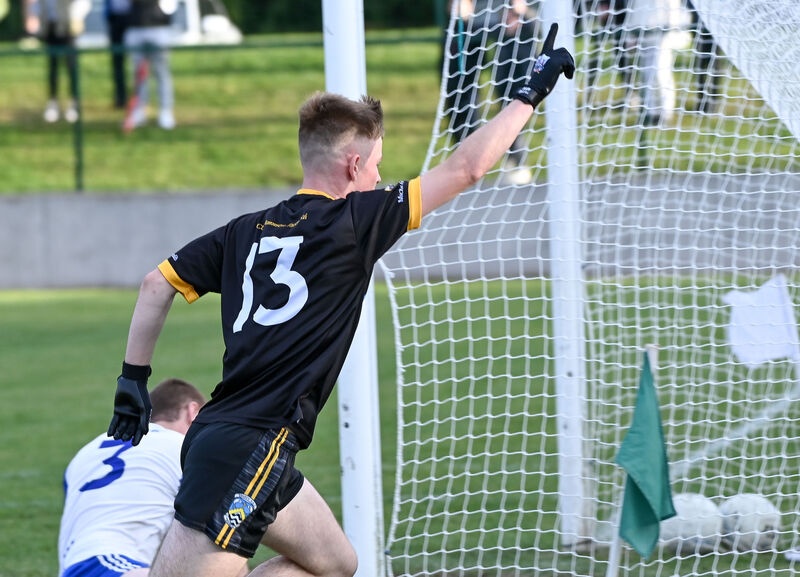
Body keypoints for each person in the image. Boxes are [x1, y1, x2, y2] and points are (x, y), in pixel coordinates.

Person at [107, 24, 573, 577]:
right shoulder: (355, 220)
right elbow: (467, 168)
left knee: (336, 562)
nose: (380, 178)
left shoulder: (242, 230)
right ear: (353, 167)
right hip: (253, 445)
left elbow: (155, 284)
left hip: (233, 438)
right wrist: (529, 94)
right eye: (376, 165)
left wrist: (132, 379)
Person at [60, 378, 206, 577]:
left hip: (79, 565)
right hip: (110, 564)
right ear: (193, 412)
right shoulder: (183, 448)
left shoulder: (87, 452)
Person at [443, 0, 540, 186]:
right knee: (460, 84)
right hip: (472, 21)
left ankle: (516, 157)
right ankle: (466, 154)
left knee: (513, 86)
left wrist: (523, 11)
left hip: (514, 23)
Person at [24, 0, 90, 123]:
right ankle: (53, 102)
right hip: (51, 28)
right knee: (53, 67)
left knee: (71, 67)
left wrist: (76, 17)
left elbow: (83, 3)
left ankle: (74, 103)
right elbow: (39, 6)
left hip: (68, 28)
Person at [124, 0, 175, 129]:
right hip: (136, 26)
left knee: (161, 72)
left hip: (158, 27)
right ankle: (139, 110)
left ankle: (165, 111)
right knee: (138, 74)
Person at [105, 0, 131, 109]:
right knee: (117, 61)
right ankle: (120, 98)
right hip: (115, 19)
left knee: (138, 61)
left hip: (133, 18)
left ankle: (139, 99)